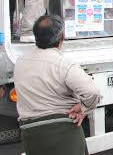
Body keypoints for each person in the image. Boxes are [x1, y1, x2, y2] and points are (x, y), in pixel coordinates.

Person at [14, 15, 101, 155]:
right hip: (63, 132)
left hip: (31, 134)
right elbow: (92, 92)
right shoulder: (64, 64)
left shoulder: (20, 61)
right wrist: (84, 108)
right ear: (62, 37)